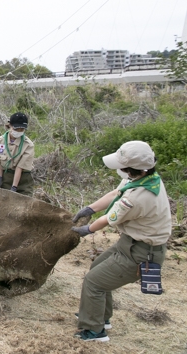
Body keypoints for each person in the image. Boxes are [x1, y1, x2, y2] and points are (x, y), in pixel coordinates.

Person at [70, 141, 171, 342]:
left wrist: (85, 230)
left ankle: (94, 331)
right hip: (130, 243)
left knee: (94, 282)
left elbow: (110, 219)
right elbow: (116, 193)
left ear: (131, 170)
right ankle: (99, 316)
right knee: (96, 268)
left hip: (142, 253)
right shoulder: (145, 178)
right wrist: (90, 208)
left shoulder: (139, 196)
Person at [0, 112, 34, 196]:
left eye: (21, 130)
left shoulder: (28, 145)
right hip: (5, 178)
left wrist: (14, 187)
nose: (19, 132)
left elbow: (20, 168)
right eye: (16, 129)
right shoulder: (0, 141)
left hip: (22, 181)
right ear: (10, 125)